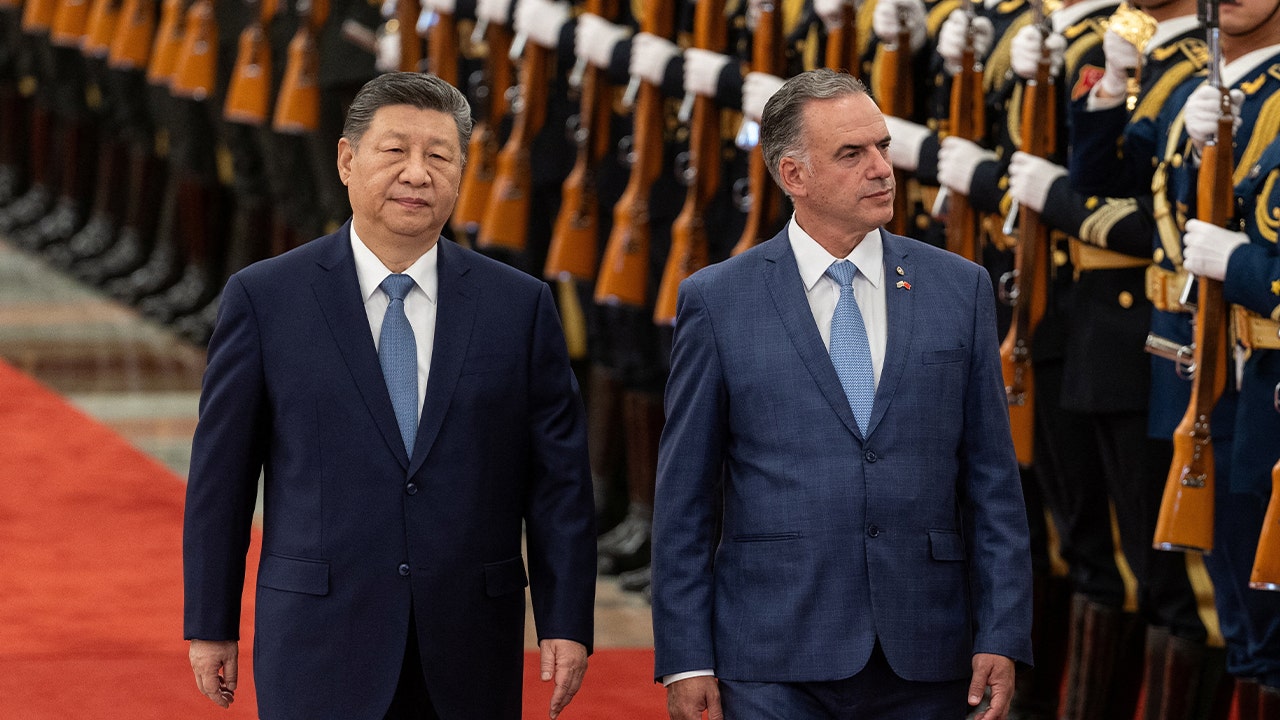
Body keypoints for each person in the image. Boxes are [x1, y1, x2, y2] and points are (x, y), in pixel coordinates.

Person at [182, 71, 597, 720]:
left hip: (469, 644)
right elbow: (222, 479)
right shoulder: (267, 299)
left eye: (440, 157)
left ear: (462, 174)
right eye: (395, 150)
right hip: (318, 637)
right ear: (347, 160)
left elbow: (559, 485)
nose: (417, 173)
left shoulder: (519, 306)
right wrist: (211, 623)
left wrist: (566, 620)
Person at [650, 68, 1034, 720]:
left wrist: (1002, 630)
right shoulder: (718, 301)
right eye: (852, 154)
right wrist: (687, 657)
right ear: (793, 175)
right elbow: (684, 497)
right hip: (770, 652)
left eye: (883, 147)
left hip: (925, 651)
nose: (882, 169)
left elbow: (994, 483)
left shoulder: (960, 288)